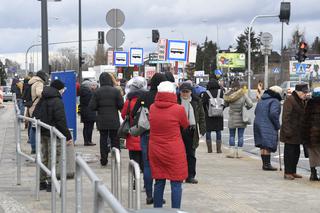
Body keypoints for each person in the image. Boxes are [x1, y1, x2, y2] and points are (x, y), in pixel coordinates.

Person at [149, 81, 189, 209]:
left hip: (155, 148)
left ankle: (157, 210)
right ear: (173, 93)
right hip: (174, 149)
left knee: (159, 181)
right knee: (176, 182)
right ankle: (176, 210)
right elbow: (185, 124)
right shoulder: (179, 109)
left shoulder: (152, 107)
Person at [132, 73, 167, 205]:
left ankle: (149, 195)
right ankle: (159, 196)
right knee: (160, 164)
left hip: (146, 133)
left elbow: (133, 112)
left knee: (147, 164)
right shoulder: (164, 97)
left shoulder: (144, 96)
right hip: (162, 135)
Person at [34, 79, 72, 191]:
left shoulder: (43, 98)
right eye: (62, 90)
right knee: (53, 158)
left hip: (43, 132)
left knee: (44, 157)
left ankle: (42, 182)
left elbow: (36, 114)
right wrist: (68, 136)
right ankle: (51, 182)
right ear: (59, 89)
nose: (63, 92)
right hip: (53, 133)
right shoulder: (57, 101)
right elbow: (61, 120)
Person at [89, 73, 124, 166]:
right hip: (114, 119)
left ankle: (104, 159)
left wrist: (99, 108)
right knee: (115, 139)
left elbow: (92, 106)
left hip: (102, 120)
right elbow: (121, 105)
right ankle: (116, 158)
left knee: (103, 139)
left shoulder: (97, 92)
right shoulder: (116, 91)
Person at [178, 82, 206, 184]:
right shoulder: (176, 101)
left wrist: (202, 130)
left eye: (187, 92)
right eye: (183, 92)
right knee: (179, 155)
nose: (185, 94)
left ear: (191, 92)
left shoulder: (196, 101)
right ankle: (180, 175)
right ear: (180, 92)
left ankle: (190, 176)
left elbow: (202, 116)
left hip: (192, 131)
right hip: (179, 130)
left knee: (191, 155)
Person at [280, 83, 309, 180]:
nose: (305, 94)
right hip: (290, 132)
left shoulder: (301, 100)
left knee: (296, 153)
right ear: (298, 92)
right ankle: (288, 172)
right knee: (289, 153)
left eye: (306, 92)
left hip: (298, 132)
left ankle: (293, 171)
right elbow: (286, 117)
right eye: (304, 93)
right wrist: (288, 132)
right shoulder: (290, 100)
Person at [121, 77, 147, 172]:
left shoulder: (129, 101)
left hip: (132, 134)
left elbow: (123, 115)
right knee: (145, 164)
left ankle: (134, 184)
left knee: (134, 164)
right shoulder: (147, 100)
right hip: (145, 134)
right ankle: (146, 185)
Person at [254, 86, 282, 171]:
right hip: (268, 124)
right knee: (267, 145)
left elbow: (256, 111)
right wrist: (277, 125)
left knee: (263, 145)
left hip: (258, 123)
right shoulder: (275, 101)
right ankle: (267, 165)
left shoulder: (262, 99)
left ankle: (265, 164)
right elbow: (273, 114)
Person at [224, 80, 253, 158]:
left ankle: (231, 153)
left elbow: (225, 104)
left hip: (232, 117)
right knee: (240, 136)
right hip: (241, 117)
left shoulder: (229, 94)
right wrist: (245, 107)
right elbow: (250, 104)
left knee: (232, 135)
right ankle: (239, 153)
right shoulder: (243, 94)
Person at [202, 78, 225, 153]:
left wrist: (206, 111)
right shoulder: (221, 92)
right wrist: (220, 109)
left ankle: (209, 149)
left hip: (209, 115)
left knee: (208, 131)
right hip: (219, 115)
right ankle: (218, 149)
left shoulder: (206, 93)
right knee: (218, 131)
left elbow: (203, 104)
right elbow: (224, 103)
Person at [28, 71, 48, 154]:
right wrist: (47, 93)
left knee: (33, 126)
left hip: (32, 107)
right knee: (35, 128)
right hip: (37, 107)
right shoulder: (39, 83)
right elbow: (39, 93)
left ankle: (33, 146)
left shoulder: (33, 82)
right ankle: (34, 147)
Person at [303, 87, 320, 181]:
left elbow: (304, 119)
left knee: (312, 154)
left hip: (310, 133)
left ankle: (313, 174)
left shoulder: (309, 104)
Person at [79, 79, 97, 146]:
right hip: (89, 112)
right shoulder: (89, 92)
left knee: (86, 127)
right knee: (89, 127)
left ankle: (86, 141)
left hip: (84, 111)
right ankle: (88, 141)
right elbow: (92, 102)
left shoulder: (82, 91)